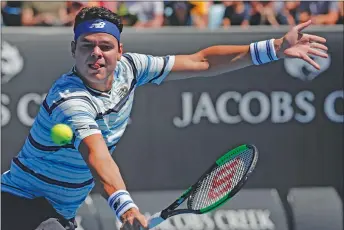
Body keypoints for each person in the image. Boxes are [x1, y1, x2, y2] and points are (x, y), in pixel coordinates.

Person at [1, 6, 328, 230]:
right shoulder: (69, 100)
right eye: (87, 46)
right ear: (74, 49)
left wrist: (272, 47)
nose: (96, 53)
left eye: (105, 46)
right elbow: (96, 156)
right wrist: (125, 207)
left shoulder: (132, 68)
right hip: (21, 203)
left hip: (60, 211)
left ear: (120, 49)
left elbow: (202, 61)